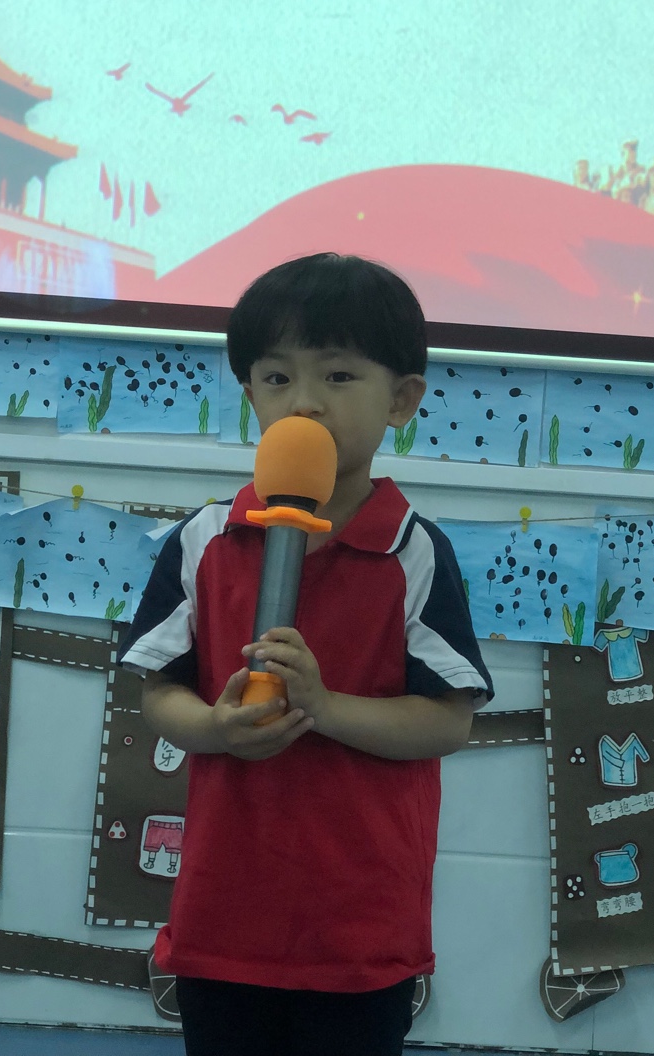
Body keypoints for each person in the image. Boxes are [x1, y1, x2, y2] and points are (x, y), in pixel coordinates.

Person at [117, 253, 493, 1056]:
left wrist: (324, 708)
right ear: (249, 394)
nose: (306, 402)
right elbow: (158, 693)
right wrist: (215, 728)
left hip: (359, 927)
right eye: (277, 378)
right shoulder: (203, 540)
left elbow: (447, 721)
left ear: (402, 400)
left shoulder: (414, 552)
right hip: (223, 916)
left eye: (339, 376)